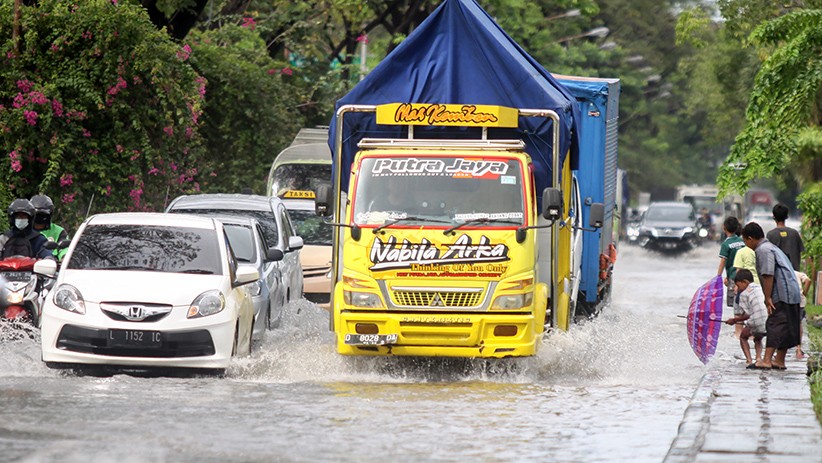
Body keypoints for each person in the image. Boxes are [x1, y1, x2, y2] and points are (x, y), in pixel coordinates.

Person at [741, 222, 801, 370]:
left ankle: (767, 360)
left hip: (782, 293)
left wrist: (767, 297)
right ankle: (779, 360)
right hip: (792, 291)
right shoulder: (772, 247)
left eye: (745, 241)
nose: (746, 245)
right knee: (786, 326)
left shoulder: (763, 250)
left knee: (775, 324)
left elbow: (768, 274)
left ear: (750, 238)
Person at [724, 269, 768, 369]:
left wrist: (734, 320)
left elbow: (748, 315)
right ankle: (758, 358)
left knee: (743, 336)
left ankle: (749, 360)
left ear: (745, 282)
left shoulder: (744, 294)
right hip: (767, 321)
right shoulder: (760, 287)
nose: (738, 289)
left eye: (738, 285)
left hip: (756, 321)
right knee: (758, 338)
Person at [716, 216, 745, 337]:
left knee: (737, 305)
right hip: (746, 276)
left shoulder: (726, 244)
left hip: (734, 277)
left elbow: (723, 261)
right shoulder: (742, 241)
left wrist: (718, 276)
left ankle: (738, 333)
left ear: (724, 228)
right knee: (745, 303)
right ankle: (746, 330)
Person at [30, 194, 69, 261]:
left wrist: (64, 257)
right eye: (37, 214)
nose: (40, 217)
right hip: (26, 265)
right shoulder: (25, 231)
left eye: (43, 215)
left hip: (52, 265)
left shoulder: (60, 232)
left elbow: (65, 251)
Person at [766, 203, 804, 271]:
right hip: (794, 273)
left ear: (774, 217)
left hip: (778, 274)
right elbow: (800, 252)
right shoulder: (794, 233)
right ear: (787, 217)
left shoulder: (770, 235)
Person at [794, 269, 812, 359]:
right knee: (798, 323)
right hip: (800, 300)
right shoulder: (798, 273)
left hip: (787, 300)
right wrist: (804, 293)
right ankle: (798, 348)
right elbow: (808, 280)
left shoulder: (782, 273)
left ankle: (779, 351)